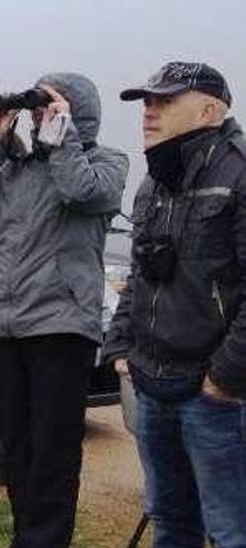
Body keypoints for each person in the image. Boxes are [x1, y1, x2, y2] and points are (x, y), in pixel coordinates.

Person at [0, 73, 128, 547]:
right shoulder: (16, 167)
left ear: (79, 113)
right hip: (2, 322)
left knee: (53, 450)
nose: (39, 115)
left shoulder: (108, 162)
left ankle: (46, 541)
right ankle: (25, 537)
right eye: (36, 107)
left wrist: (63, 138)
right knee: (16, 446)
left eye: (49, 106)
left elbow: (82, 193)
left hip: (61, 324)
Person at [103, 61, 246, 548]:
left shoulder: (239, 174)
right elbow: (142, 275)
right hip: (151, 383)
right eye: (146, 101)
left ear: (210, 109)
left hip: (214, 395)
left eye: (165, 101)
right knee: (170, 518)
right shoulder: (154, 182)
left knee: (230, 528)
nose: (149, 111)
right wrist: (121, 346)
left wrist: (224, 377)